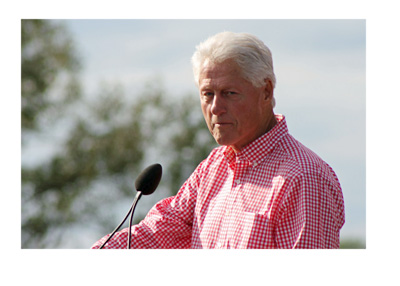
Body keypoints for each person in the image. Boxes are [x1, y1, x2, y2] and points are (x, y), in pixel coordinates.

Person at [91, 31, 345, 249]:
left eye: (229, 93)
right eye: (208, 93)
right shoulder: (213, 167)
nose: (215, 107)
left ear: (266, 91)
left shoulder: (304, 178)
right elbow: (157, 232)